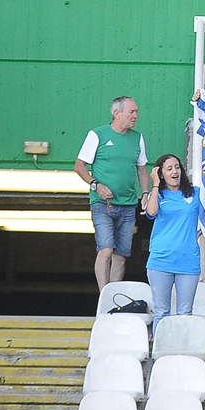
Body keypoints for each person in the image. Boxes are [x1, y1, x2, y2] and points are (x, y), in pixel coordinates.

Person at [74, 96, 150, 291]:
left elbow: (142, 169)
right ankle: (103, 296)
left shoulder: (137, 137)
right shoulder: (97, 134)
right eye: (131, 112)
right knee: (106, 249)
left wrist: (146, 194)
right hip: (102, 203)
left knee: (121, 254)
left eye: (136, 111)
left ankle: (112, 297)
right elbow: (79, 166)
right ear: (116, 113)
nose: (136, 116)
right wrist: (95, 185)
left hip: (128, 204)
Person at [140, 153, 200, 325]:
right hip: (160, 261)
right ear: (161, 174)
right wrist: (155, 185)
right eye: (169, 169)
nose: (175, 171)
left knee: (185, 313)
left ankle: (182, 351)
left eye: (177, 167)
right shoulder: (158, 195)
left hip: (188, 261)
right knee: (161, 313)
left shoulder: (195, 193)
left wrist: (201, 231)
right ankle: (160, 351)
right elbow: (151, 212)